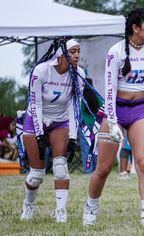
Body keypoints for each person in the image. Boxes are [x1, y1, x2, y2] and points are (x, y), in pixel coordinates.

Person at [83, 8, 144, 228]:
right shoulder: (116, 51)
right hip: (115, 111)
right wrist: (111, 120)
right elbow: (109, 89)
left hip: (139, 110)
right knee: (104, 168)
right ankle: (91, 208)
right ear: (135, 28)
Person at [20, 36, 85, 223]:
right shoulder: (41, 71)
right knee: (36, 175)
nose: (77, 55)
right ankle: (28, 206)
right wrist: (40, 134)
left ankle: (61, 212)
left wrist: (72, 137)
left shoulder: (77, 74)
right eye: (72, 51)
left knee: (60, 168)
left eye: (78, 51)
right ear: (60, 53)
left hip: (60, 121)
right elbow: (36, 104)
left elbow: (75, 106)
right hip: (36, 120)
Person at [79, 78, 103, 174]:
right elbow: (103, 106)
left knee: (86, 148)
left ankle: (88, 169)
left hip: (85, 125)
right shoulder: (96, 95)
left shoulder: (82, 97)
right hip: (96, 125)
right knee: (95, 148)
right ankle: (97, 169)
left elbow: (79, 111)